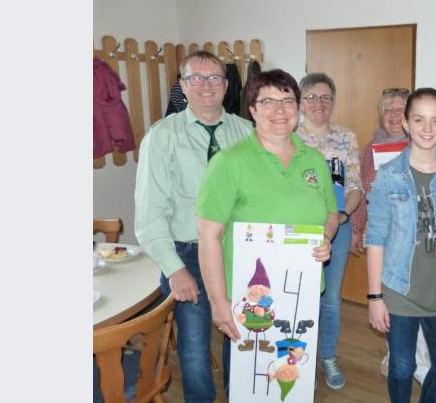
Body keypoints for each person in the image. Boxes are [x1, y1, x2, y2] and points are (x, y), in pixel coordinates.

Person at [194, 69, 338, 391]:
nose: (280, 110)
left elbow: (330, 212)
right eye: (269, 101)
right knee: (253, 388)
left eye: (288, 100)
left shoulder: (314, 160)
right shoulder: (229, 163)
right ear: (253, 109)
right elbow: (208, 236)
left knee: (292, 384)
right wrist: (219, 304)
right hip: (250, 303)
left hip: (302, 296)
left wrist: (326, 236)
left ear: (298, 108)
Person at [134, 50, 253, 402]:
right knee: (195, 348)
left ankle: (240, 395)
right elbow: (149, 213)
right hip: (188, 254)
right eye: (195, 78)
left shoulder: (247, 132)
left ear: (226, 86)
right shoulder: (161, 137)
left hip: (239, 251)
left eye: (214, 78)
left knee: (243, 334)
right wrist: (174, 270)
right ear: (182, 86)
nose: (205, 85)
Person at [365, 88, 436, 403]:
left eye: (435, 121)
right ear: (406, 123)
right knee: (401, 367)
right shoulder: (388, 176)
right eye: (419, 119)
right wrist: (375, 297)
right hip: (399, 289)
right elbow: (375, 238)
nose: (427, 129)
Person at [348, 88, 433, 383]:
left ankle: (421, 363)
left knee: (419, 302)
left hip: (421, 239)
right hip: (385, 239)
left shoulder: (427, 142)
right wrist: (356, 228)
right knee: (391, 302)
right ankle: (395, 352)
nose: (395, 115)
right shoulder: (371, 150)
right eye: (389, 110)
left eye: (401, 109)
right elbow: (363, 191)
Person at [296, 72, 363, 390]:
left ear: (333, 101)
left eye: (326, 97)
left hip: (339, 228)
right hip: (299, 231)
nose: (319, 104)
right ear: (301, 101)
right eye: (312, 97)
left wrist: (341, 214)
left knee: (332, 299)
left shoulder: (347, 137)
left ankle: (328, 357)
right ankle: (298, 357)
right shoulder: (290, 136)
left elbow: (355, 186)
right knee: (299, 297)